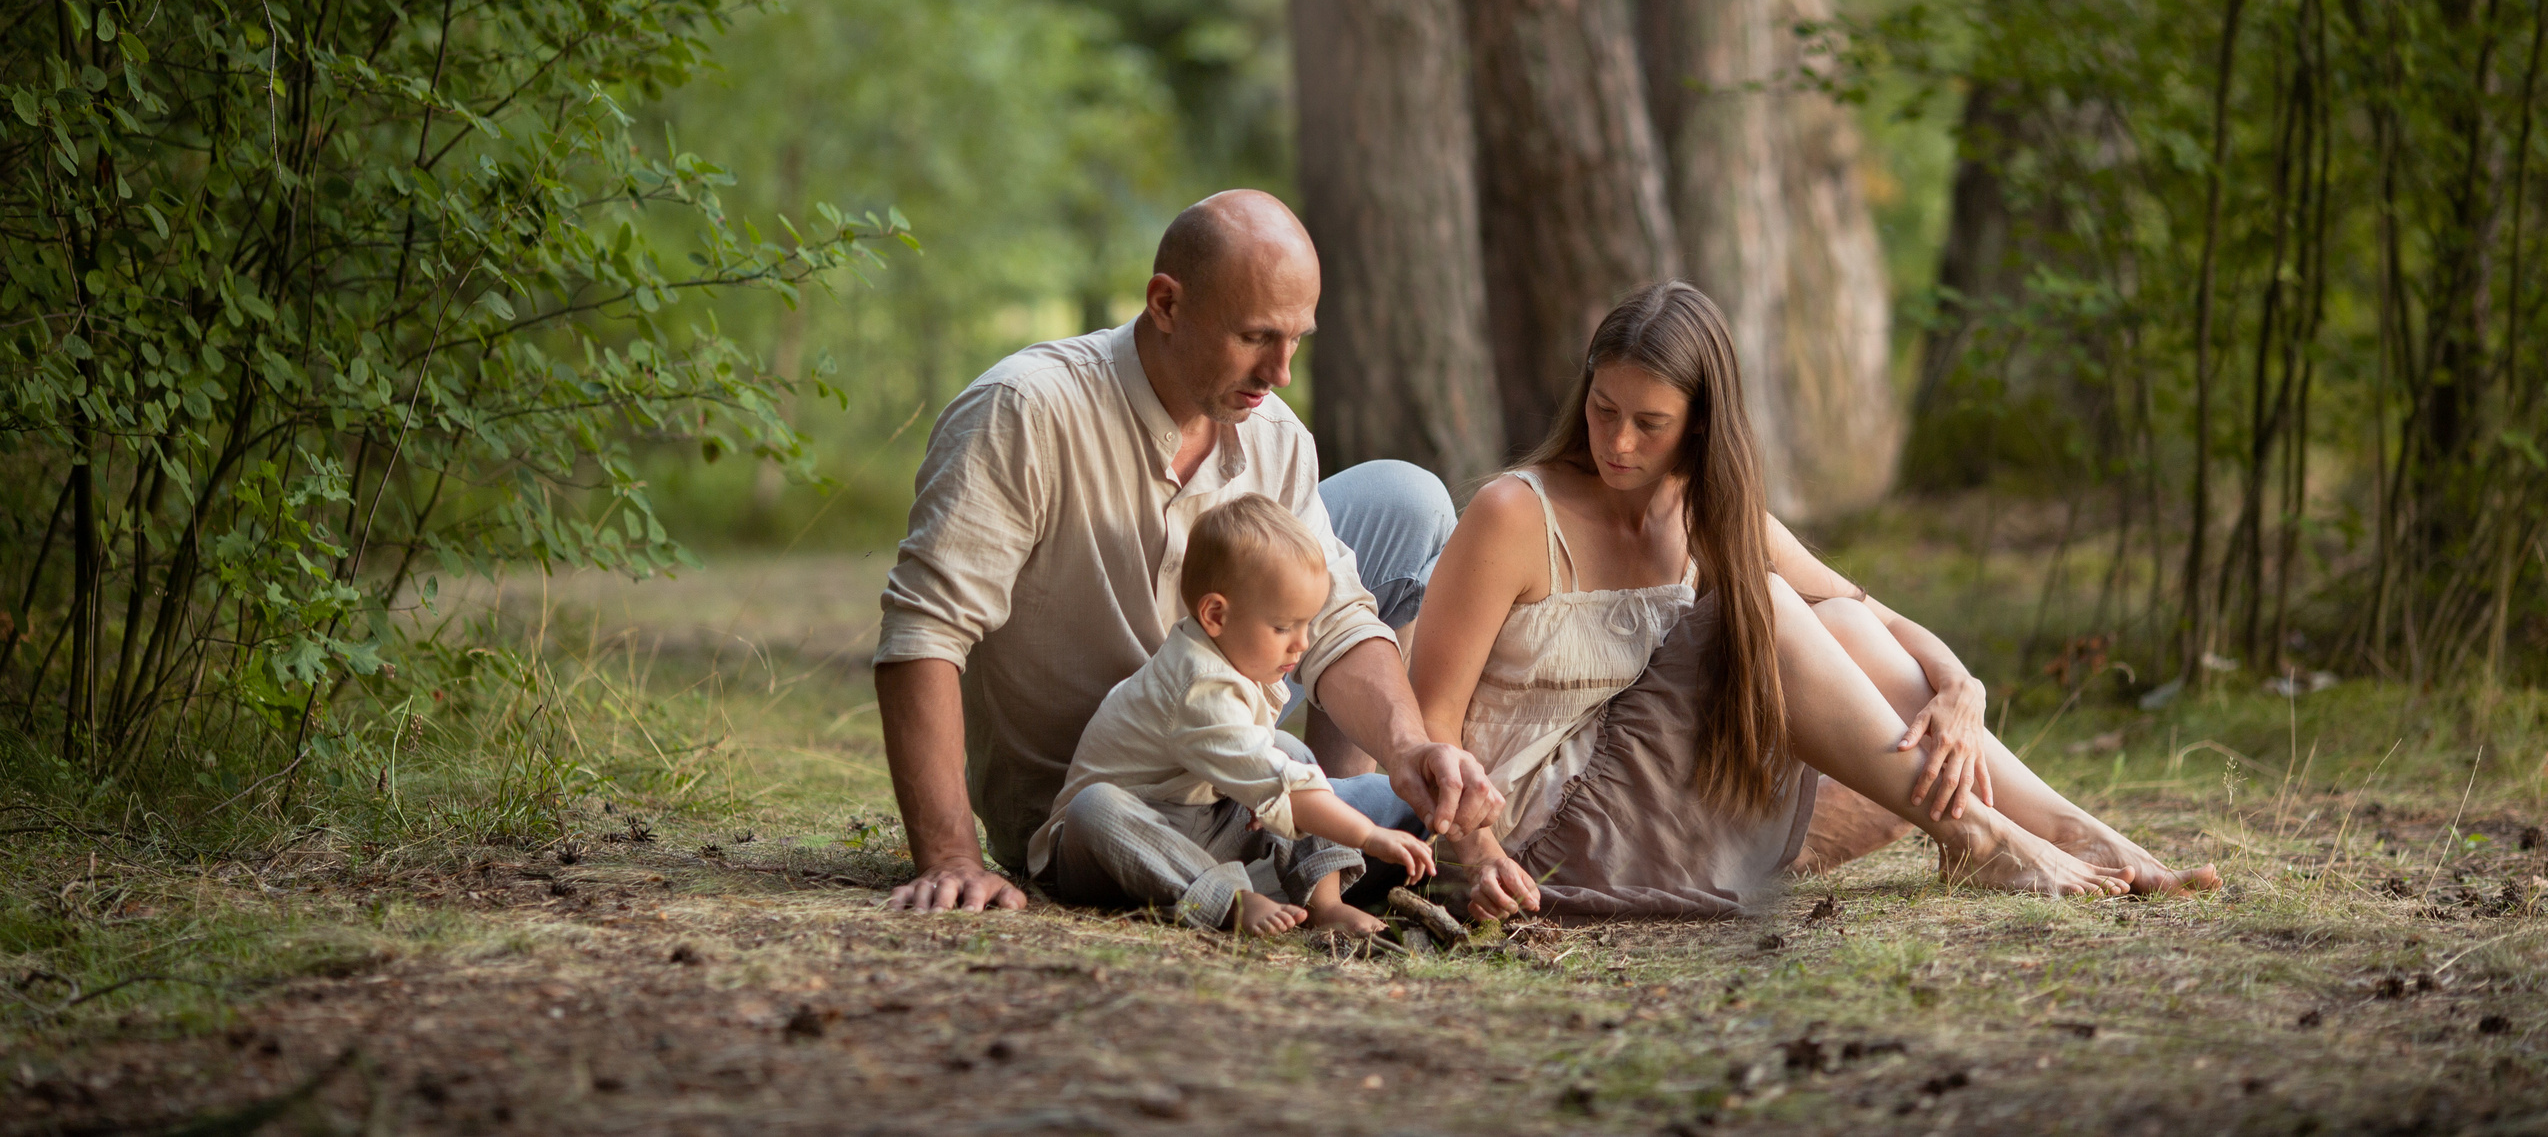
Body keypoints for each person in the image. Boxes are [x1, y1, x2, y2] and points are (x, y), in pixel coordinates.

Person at [1409, 282, 2220, 920]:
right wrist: (1477, 852)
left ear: (1699, 424)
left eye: (1649, 423)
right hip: (1535, 839)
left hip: (1651, 812)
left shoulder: (1706, 509)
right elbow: (1428, 723)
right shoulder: (1515, 514)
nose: (1618, 443)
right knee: (1756, 601)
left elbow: (1866, 614)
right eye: (1603, 410)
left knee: (1828, 618)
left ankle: (2066, 825)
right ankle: (1975, 832)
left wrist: (1959, 683)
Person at [874, 189, 1500, 913]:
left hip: (1227, 771)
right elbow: (924, 630)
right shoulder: (1025, 410)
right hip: (1099, 806)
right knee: (1109, 811)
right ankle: (1274, 855)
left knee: (1408, 500)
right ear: (1165, 304)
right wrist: (950, 856)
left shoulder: (1277, 435)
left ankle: (1319, 857)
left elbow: (1335, 620)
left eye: (1298, 338)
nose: (1282, 371)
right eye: (1257, 336)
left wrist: (1408, 751)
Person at [1028, 494, 1438, 936]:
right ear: (1215, 614)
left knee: (1290, 753)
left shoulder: (1235, 658)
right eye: (1283, 627)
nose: (1300, 644)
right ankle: (1228, 901)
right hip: (1112, 850)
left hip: (1195, 825)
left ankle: (1325, 903)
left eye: (1306, 624)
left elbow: (1278, 775)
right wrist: (1369, 836)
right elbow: (1285, 790)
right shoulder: (1197, 686)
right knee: (1095, 807)